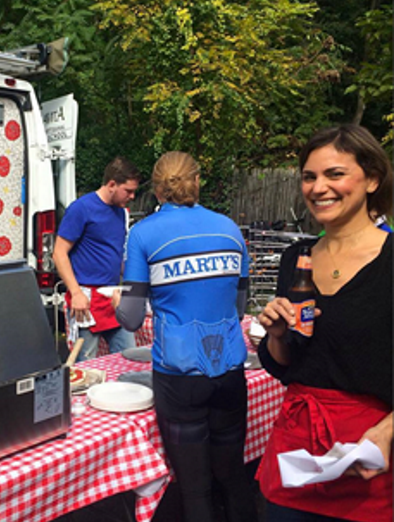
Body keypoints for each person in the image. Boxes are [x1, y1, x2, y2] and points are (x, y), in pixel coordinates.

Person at [256, 124, 392, 522]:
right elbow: (287, 363)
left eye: (335, 174)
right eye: (309, 177)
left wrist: (387, 433)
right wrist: (277, 336)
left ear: (371, 180)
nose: (318, 188)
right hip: (296, 451)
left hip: (373, 455)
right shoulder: (296, 258)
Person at [113, 151, 257, 522]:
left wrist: (119, 298)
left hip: (179, 376)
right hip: (229, 369)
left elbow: (130, 320)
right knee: (232, 475)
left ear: (157, 190)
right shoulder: (229, 228)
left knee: (195, 489)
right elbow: (239, 308)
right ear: (197, 182)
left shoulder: (144, 233)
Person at [52, 156, 140, 361]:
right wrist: (75, 293)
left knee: (128, 357)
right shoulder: (81, 208)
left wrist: (133, 286)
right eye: (128, 190)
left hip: (113, 298)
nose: (133, 196)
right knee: (87, 364)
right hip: (86, 299)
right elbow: (59, 252)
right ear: (111, 184)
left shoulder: (122, 213)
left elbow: (116, 255)